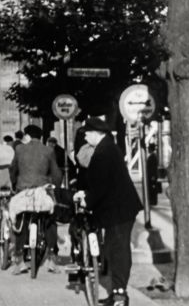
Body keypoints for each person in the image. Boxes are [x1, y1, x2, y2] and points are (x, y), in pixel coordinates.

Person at [74, 117, 143, 306]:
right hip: (118, 208)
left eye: (87, 132)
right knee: (114, 250)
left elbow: (101, 186)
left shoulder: (104, 152)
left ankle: (120, 295)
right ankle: (117, 292)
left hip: (119, 209)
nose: (85, 135)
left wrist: (86, 199)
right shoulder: (107, 148)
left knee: (118, 251)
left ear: (97, 133)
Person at [9, 124, 63, 275]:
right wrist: (56, 188)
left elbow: (13, 170)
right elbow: (56, 173)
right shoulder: (48, 150)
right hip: (42, 190)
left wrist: (14, 184)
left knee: (21, 220)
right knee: (50, 219)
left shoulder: (19, 149)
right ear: (41, 137)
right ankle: (52, 257)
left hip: (23, 190)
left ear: (26, 136)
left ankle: (19, 259)